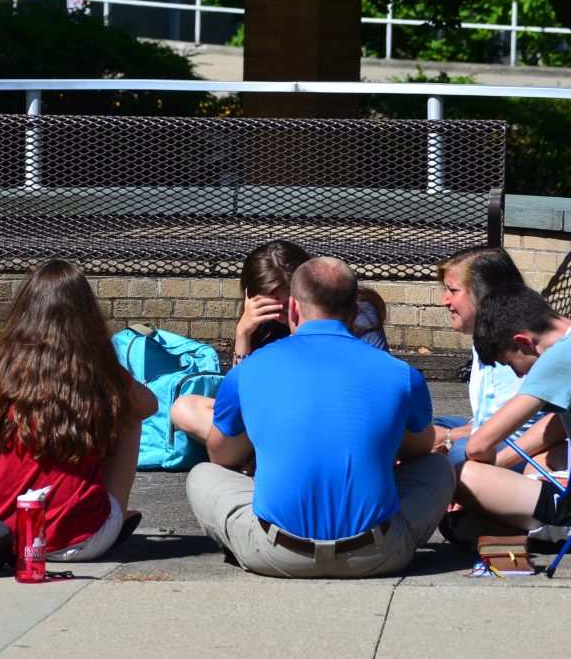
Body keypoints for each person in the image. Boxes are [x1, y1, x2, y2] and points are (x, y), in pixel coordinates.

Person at [186, 257, 455, 578]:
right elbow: (419, 449)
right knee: (440, 466)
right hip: (376, 554)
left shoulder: (249, 369)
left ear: (294, 310)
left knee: (202, 474)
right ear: (355, 312)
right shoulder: (401, 374)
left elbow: (222, 455)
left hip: (276, 553)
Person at [0, 260, 157, 561]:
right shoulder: (98, 370)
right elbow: (149, 406)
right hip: (81, 541)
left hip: (5, 536)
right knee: (130, 414)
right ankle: (115, 510)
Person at [171, 239, 388, 448]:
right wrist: (243, 335)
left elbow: (374, 390)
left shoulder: (352, 312)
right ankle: (262, 454)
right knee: (185, 407)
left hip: (334, 420)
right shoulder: (264, 324)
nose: (284, 316)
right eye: (271, 309)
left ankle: (261, 455)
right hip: (278, 422)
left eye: (288, 306)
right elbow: (239, 402)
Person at [452, 284, 571, 536]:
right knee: (545, 456)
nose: (520, 375)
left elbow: (478, 447)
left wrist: (489, 475)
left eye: (512, 365)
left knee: (462, 472)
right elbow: (559, 423)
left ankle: (546, 526)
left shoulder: (558, 356)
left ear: (524, 342)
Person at [432, 247, 564, 470]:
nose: (444, 301)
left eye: (453, 290)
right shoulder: (487, 339)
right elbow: (487, 417)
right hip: (494, 435)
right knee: (432, 427)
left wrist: (448, 438)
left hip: (517, 445)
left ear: (485, 294)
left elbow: (504, 433)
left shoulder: (522, 349)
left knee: (458, 452)